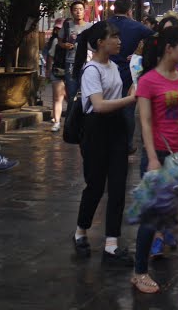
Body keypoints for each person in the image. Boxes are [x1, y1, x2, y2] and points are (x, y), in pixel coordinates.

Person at [132, 25, 178, 293]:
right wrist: (151, 158)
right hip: (160, 157)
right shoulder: (148, 80)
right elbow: (146, 122)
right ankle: (139, 272)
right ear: (168, 48)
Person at [74, 21, 138, 263]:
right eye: (114, 37)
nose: (119, 41)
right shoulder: (92, 70)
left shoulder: (113, 66)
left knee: (119, 186)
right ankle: (81, 231)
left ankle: (112, 243)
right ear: (101, 42)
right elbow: (99, 106)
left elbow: (116, 97)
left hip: (116, 129)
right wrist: (130, 100)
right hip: (96, 131)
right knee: (95, 186)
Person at [107, 0, 156, 152]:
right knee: (127, 108)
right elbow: (156, 38)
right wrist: (140, 55)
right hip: (129, 72)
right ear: (130, 10)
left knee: (108, 106)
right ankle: (127, 144)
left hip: (107, 70)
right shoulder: (137, 27)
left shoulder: (105, 25)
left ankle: (110, 141)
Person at [50, 0, 92, 131]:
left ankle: (85, 124)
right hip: (70, 63)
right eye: (75, 9)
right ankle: (69, 125)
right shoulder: (67, 26)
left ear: (84, 11)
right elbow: (59, 42)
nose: (78, 11)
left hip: (86, 63)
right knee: (72, 93)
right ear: (71, 11)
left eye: (80, 9)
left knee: (86, 93)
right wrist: (64, 45)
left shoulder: (90, 26)